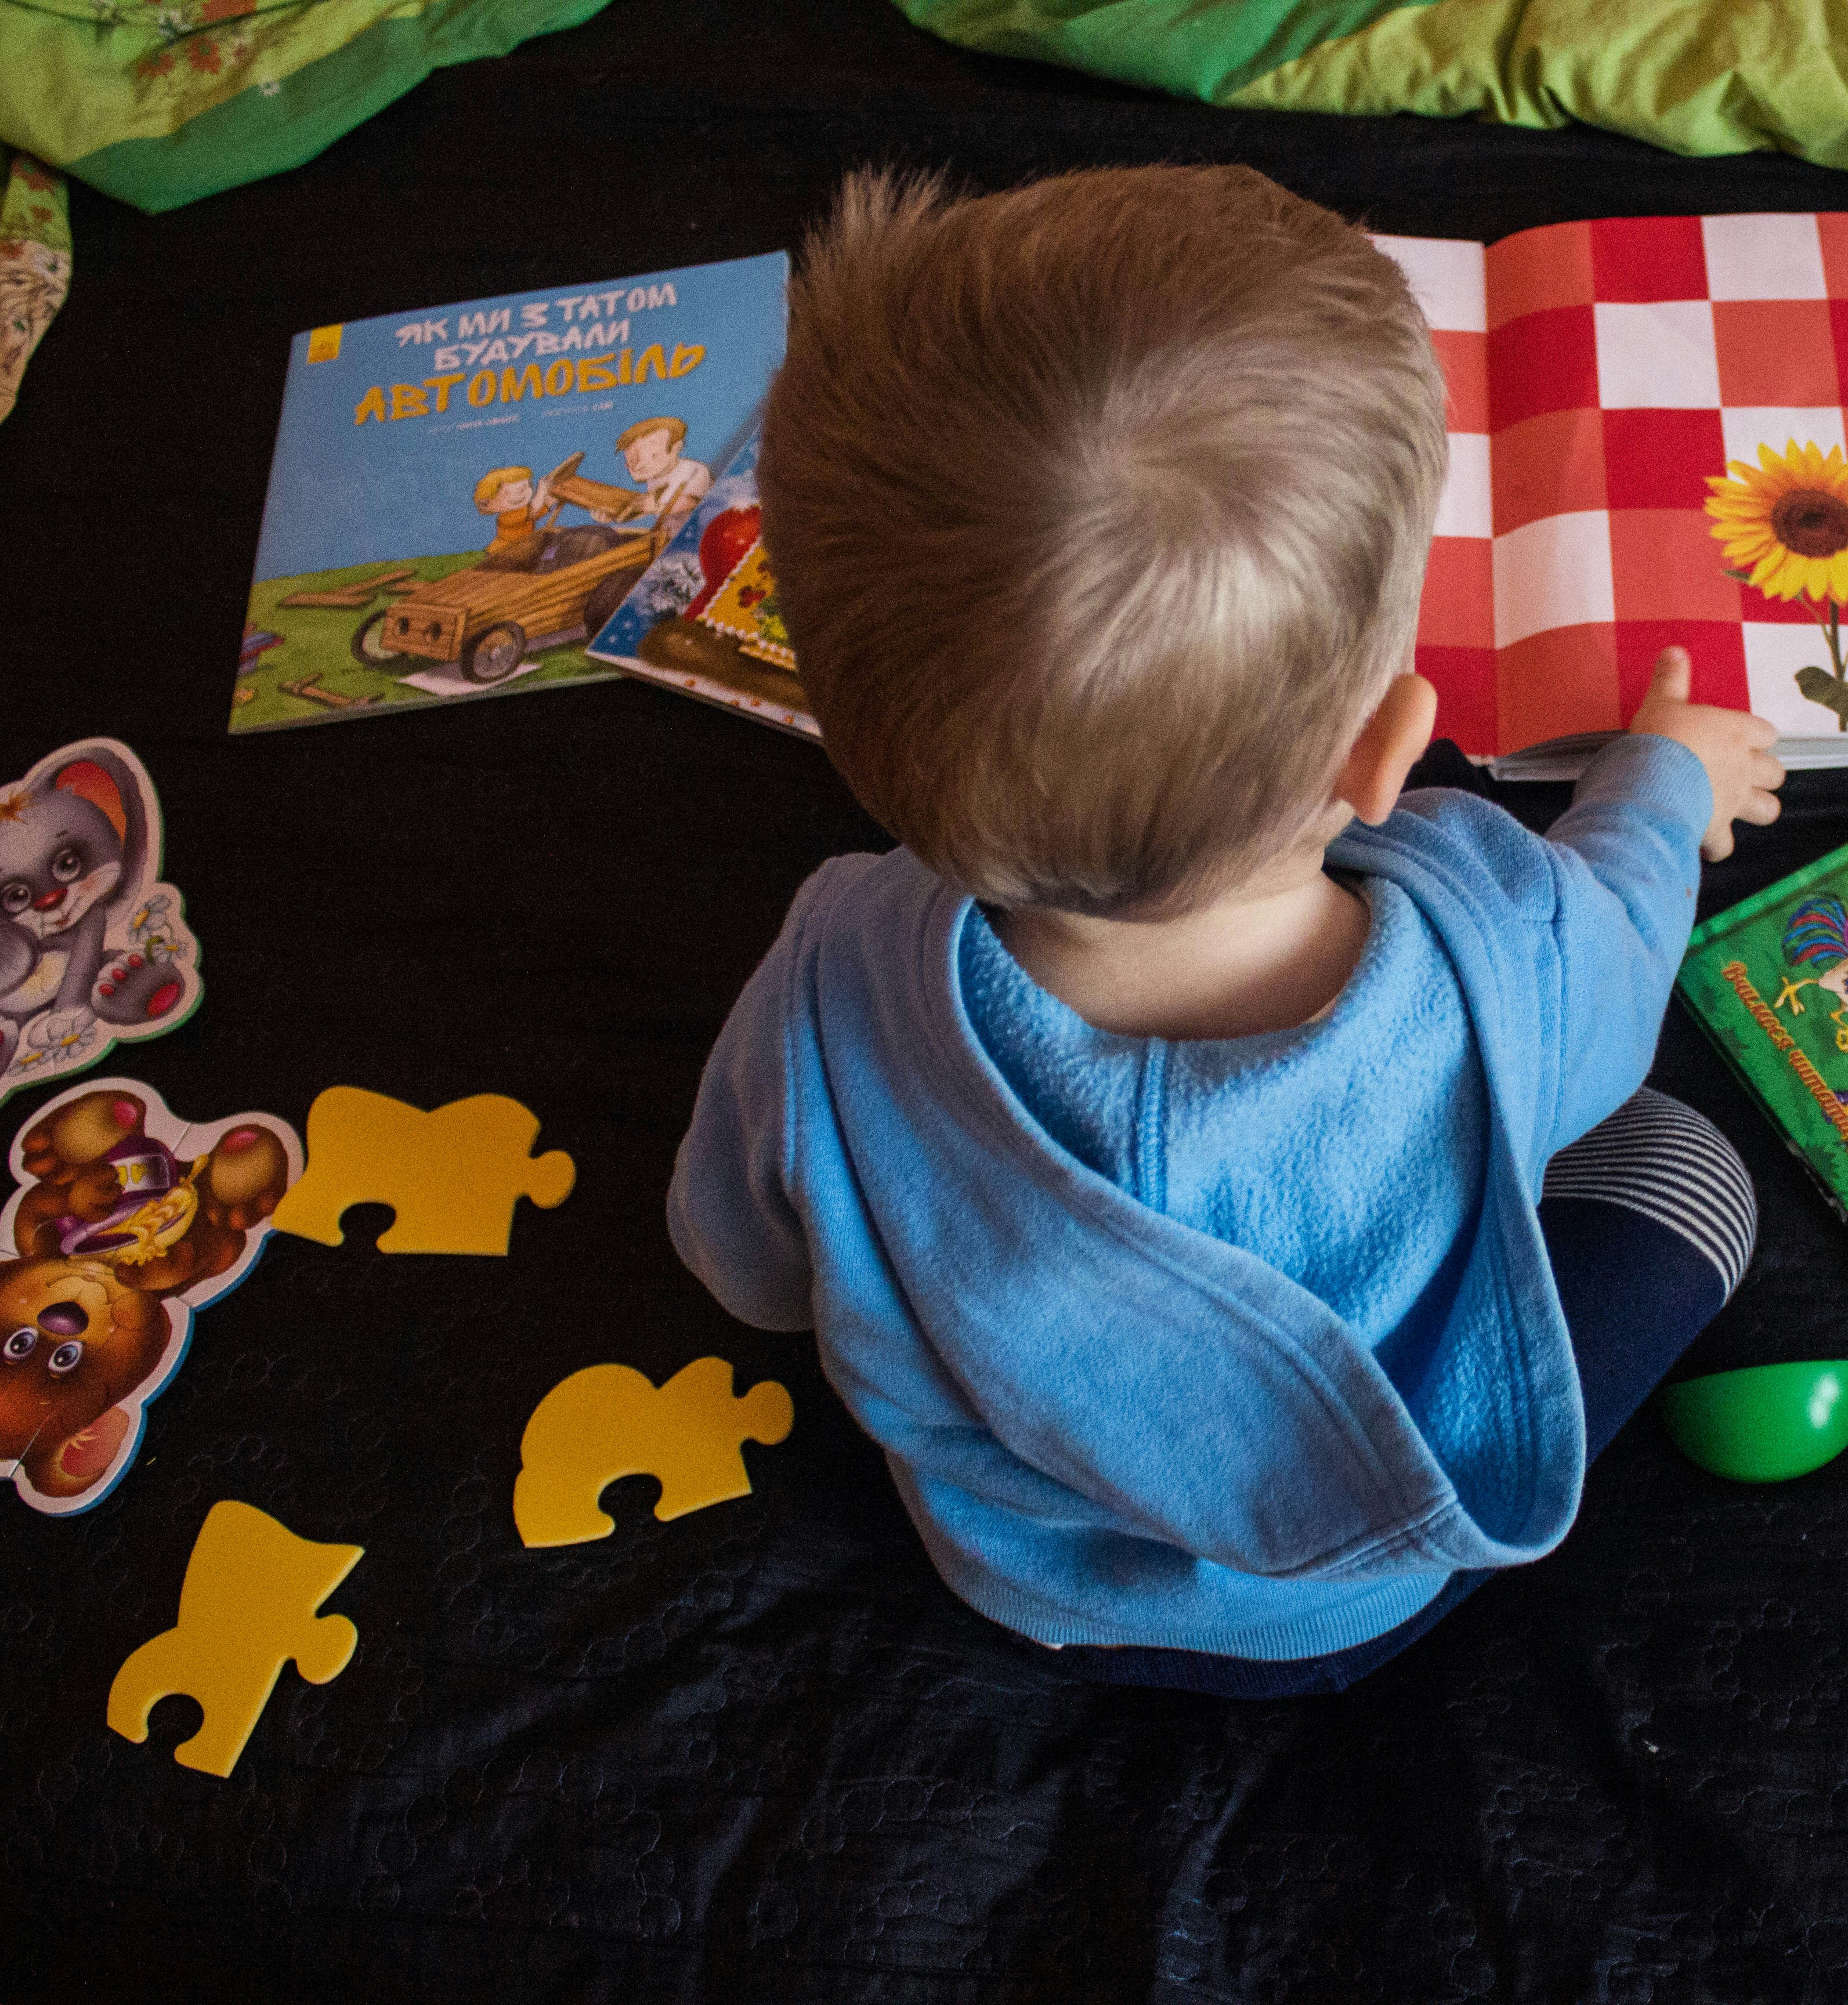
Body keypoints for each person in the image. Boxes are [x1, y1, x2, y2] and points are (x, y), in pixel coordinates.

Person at [668, 165, 1784, 1696]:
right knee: (1687, 1164)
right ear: (1385, 757)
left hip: (1027, 1577)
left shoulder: (830, 973)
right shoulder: (1500, 933)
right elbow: (1625, 947)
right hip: (1338, 1610)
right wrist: (1663, 785)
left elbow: (739, 1261)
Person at [614, 415, 712, 544]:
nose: (639, 465)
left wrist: (655, 507)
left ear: (676, 448)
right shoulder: (655, 479)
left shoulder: (695, 470)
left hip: (698, 537)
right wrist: (614, 515)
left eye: (654, 456)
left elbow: (689, 502)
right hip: (668, 537)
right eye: (632, 460)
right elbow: (647, 508)